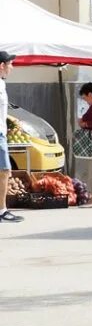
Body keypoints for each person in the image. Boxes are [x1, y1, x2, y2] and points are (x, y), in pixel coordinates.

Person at [0, 51, 24, 223]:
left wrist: (8, 121)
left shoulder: (2, 84)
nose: (12, 67)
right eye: (10, 64)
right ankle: (2, 211)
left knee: (4, 171)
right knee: (5, 171)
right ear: (2, 66)